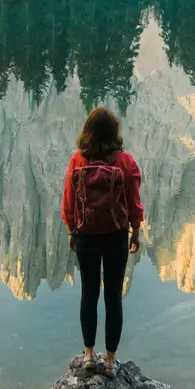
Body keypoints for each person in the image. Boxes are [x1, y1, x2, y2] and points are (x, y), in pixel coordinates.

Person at [62, 105, 144, 371]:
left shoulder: (77, 160)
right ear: (114, 132)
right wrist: (136, 232)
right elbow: (134, 203)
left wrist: (72, 230)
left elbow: (69, 201)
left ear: (89, 131)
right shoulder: (125, 162)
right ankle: (110, 362)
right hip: (115, 236)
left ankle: (88, 355)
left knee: (89, 293)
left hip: (86, 235)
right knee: (113, 298)